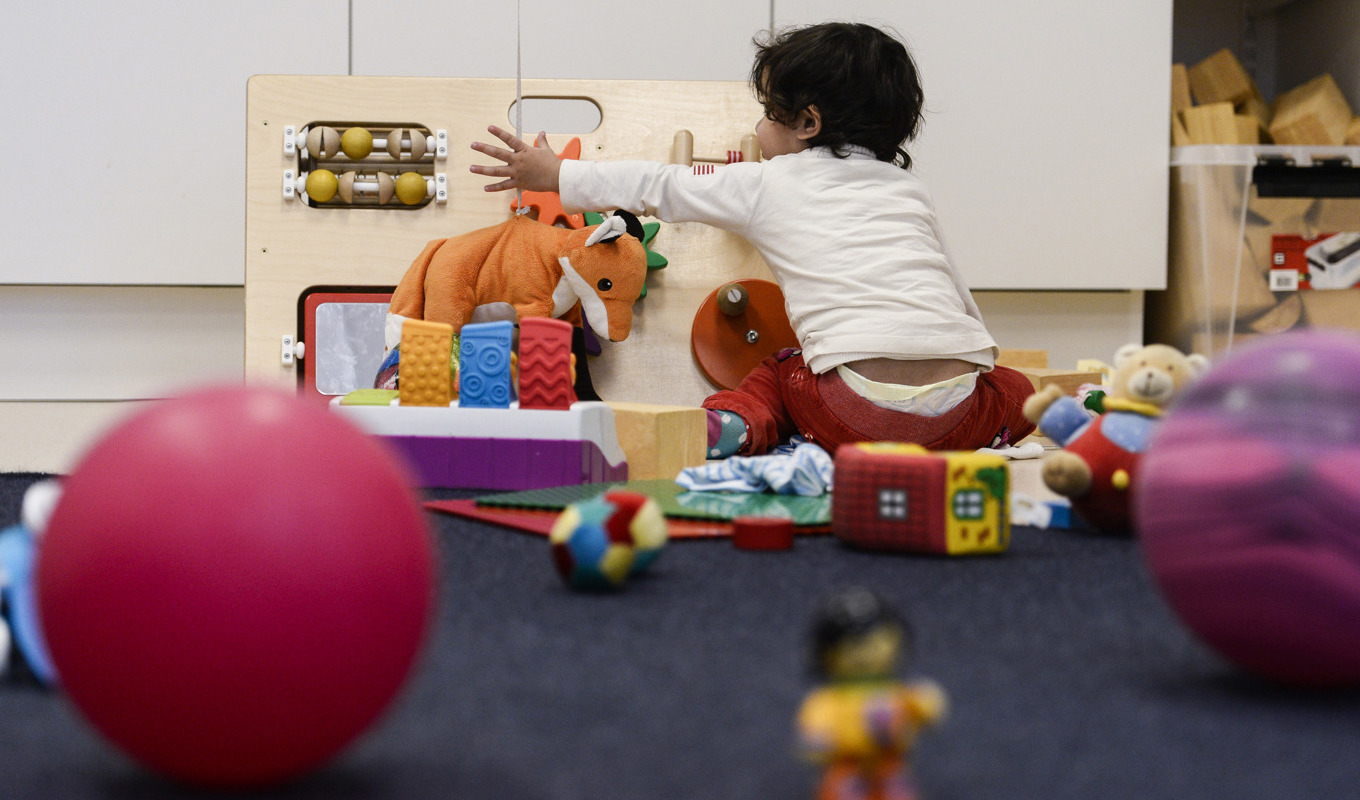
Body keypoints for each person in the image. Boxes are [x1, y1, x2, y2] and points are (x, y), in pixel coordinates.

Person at [470, 21, 1036, 457]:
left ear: (808, 124)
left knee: (777, 370)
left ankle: (733, 425)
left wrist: (557, 175)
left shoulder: (770, 181)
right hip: (960, 418)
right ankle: (1077, 410)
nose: (761, 128)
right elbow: (958, 296)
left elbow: (658, 184)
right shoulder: (909, 191)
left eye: (768, 114)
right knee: (1012, 386)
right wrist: (979, 375)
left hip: (852, 415)